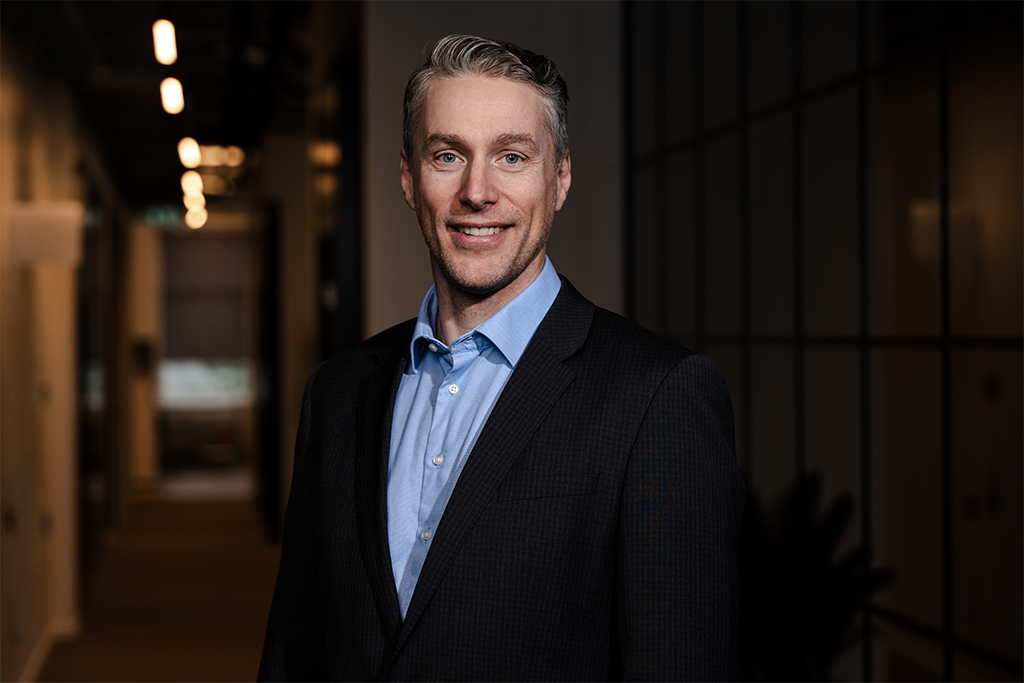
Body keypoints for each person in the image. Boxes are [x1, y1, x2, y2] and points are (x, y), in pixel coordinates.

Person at [258, 34, 744, 682]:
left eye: (511, 156)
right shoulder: (337, 393)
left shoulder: (659, 396)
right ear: (408, 177)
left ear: (559, 177)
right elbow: (293, 652)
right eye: (447, 155)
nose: (477, 191)